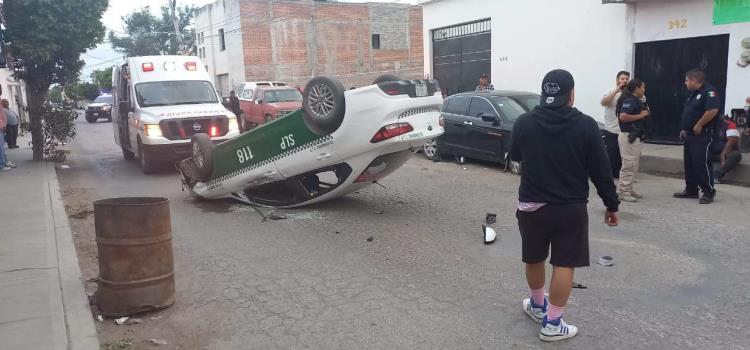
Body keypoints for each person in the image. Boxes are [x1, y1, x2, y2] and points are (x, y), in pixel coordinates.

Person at [510, 69, 619, 342]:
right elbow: (601, 171)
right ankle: (553, 323)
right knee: (564, 263)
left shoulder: (524, 122)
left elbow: (515, 156)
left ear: (544, 93)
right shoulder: (586, 125)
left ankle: (537, 305)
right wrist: (611, 205)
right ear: (571, 95)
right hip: (569, 208)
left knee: (533, 256)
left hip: (531, 205)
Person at [673, 69, 721, 204]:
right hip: (690, 135)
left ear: (694, 80)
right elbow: (691, 113)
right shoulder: (694, 94)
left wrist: (699, 125)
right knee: (690, 164)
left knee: (701, 164)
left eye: (687, 80)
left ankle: (708, 191)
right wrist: (685, 129)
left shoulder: (709, 92)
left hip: (702, 135)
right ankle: (691, 189)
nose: (685, 82)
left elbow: (713, 110)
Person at [615, 79, 650, 202]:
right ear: (636, 89)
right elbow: (623, 117)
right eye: (643, 87)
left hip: (636, 137)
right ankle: (623, 191)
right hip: (629, 136)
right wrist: (642, 115)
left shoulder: (636, 100)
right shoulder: (629, 100)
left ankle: (629, 188)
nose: (644, 90)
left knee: (633, 165)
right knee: (628, 164)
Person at [600, 71, 630, 178]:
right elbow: (604, 102)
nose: (625, 81)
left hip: (625, 129)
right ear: (617, 80)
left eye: (627, 79)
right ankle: (612, 173)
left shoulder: (630, 94)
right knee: (612, 152)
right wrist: (616, 91)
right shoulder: (610, 91)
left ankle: (621, 173)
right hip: (611, 128)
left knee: (623, 153)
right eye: (622, 79)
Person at [712, 115, 742, 183]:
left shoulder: (730, 125)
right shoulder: (709, 125)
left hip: (726, 153)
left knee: (735, 155)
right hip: (712, 152)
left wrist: (723, 154)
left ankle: (716, 176)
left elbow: (731, 141)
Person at [0, 106, 16, 171]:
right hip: (0, 127)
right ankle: (2, 164)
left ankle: (5, 161)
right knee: (1, 147)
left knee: (2, 147)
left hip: (2, 127)